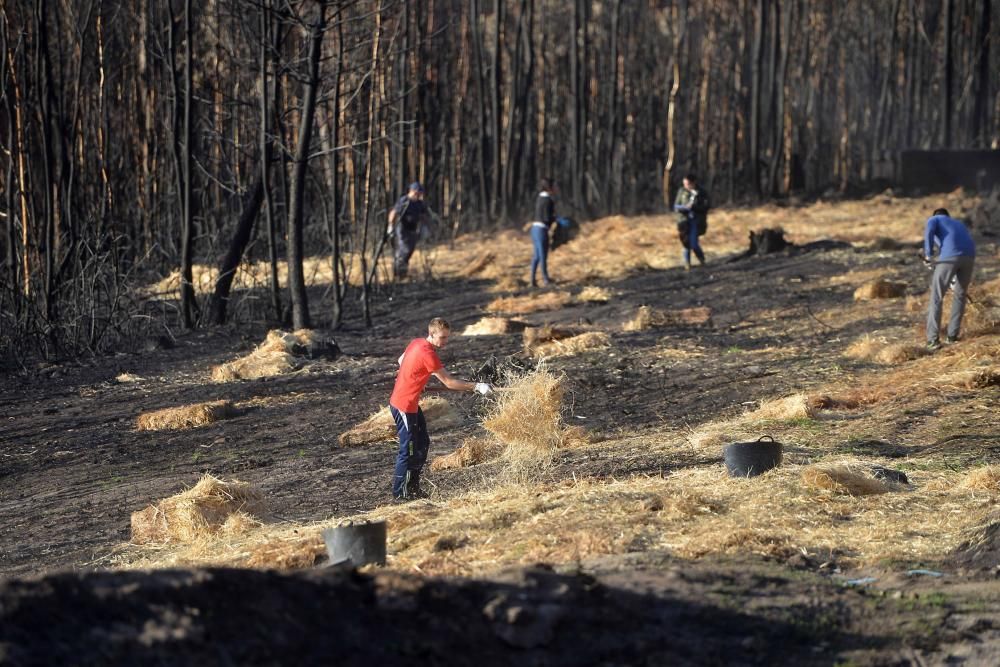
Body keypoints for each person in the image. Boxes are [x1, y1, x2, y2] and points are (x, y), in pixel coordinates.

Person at [388, 318, 492, 500]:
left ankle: (413, 488)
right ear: (432, 334)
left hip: (410, 403)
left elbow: (401, 359)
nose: (445, 342)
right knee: (409, 450)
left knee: (423, 443)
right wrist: (476, 386)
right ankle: (400, 493)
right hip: (404, 405)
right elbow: (449, 382)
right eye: (442, 338)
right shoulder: (428, 353)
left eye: (447, 338)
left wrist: (415, 379)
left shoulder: (417, 343)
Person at [923, 208, 976, 350]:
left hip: (950, 258)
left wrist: (928, 256)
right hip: (969, 256)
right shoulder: (957, 223)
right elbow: (951, 244)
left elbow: (930, 234)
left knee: (936, 296)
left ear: (936, 215)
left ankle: (932, 340)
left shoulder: (933, 220)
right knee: (960, 295)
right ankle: (952, 336)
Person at [387, 181, 430, 279]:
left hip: (413, 230)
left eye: (420, 193)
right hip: (402, 229)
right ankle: (397, 273)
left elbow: (423, 216)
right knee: (404, 250)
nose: (418, 195)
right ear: (411, 191)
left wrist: (424, 227)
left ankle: (402, 274)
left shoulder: (419, 203)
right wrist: (390, 226)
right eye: (417, 192)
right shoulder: (404, 201)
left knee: (409, 251)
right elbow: (394, 213)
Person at [673, 174, 710, 270]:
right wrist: (684, 208)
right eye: (684, 184)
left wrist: (694, 207)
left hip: (696, 220)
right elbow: (676, 206)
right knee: (686, 242)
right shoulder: (681, 191)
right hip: (684, 221)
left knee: (693, 243)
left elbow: (706, 206)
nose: (686, 186)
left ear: (693, 183)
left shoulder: (701, 192)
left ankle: (702, 259)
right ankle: (687, 264)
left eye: (688, 184)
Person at [530, 178, 558, 287]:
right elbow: (547, 217)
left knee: (536, 255)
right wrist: (555, 219)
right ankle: (545, 279)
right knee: (543, 255)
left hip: (534, 229)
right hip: (542, 230)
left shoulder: (539, 198)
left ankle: (532, 279)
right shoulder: (548, 200)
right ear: (550, 187)